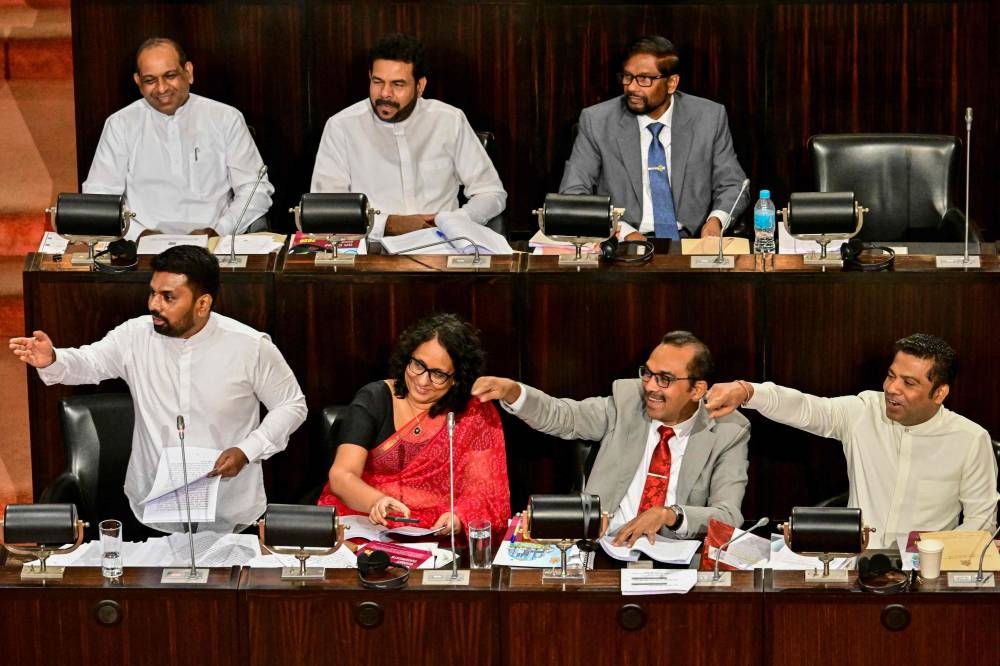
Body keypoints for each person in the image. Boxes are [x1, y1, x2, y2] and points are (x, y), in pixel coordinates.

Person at [9, 245, 306, 532]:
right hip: (152, 505)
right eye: (153, 292)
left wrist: (247, 449)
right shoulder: (134, 335)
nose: (154, 304)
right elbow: (90, 361)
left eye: (168, 297)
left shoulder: (250, 346)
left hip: (229, 508)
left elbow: (291, 405)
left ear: (203, 303)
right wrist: (53, 358)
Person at [706, 333, 999, 549]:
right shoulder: (863, 411)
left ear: (939, 393)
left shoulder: (971, 440)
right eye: (891, 376)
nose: (892, 389)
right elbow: (807, 408)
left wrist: (939, 557)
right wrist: (747, 391)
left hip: (928, 570)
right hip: (855, 563)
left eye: (909, 383)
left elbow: (980, 521)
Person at [472, 331, 749, 546]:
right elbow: (563, 416)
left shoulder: (728, 431)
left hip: (678, 556)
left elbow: (728, 514)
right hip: (603, 546)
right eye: (648, 373)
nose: (651, 386)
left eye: (665, 379)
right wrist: (513, 392)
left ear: (697, 389)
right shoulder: (627, 402)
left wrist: (670, 515)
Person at [318, 313, 510, 540]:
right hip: (368, 523)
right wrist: (376, 501)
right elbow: (342, 475)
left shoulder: (473, 413)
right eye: (418, 365)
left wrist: (458, 516)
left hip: (439, 534)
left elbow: (483, 492)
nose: (422, 381)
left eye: (437, 374)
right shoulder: (374, 398)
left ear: (457, 378)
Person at [310, 33, 506, 240]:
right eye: (378, 81)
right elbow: (328, 210)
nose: (385, 93)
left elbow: (492, 193)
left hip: (441, 244)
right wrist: (389, 224)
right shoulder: (342, 126)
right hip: (372, 249)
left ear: (420, 86)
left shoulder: (449, 120)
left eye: (398, 84)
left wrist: (455, 219)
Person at [83, 37, 274, 241]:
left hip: (214, 246)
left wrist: (220, 232)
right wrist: (139, 235)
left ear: (188, 72)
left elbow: (255, 189)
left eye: (170, 75)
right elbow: (99, 197)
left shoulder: (226, 118)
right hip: (140, 250)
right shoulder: (120, 124)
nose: (162, 88)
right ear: (138, 82)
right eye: (150, 80)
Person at [560, 36, 747, 240]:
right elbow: (573, 193)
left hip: (690, 242)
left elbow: (733, 184)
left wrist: (715, 222)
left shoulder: (708, 117)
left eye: (644, 79)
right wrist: (623, 232)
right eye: (627, 77)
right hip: (622, 243)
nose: (631, 87)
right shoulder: (597, 120)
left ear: (671, 83)